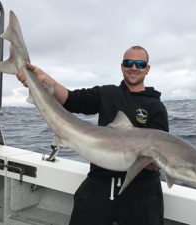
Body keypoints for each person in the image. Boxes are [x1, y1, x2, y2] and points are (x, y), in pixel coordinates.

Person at [17, 46, 169, 225]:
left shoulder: (156, 107)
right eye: (129, 63)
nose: (134, 67)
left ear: (147, 69)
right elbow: (73, 100)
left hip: (142, 189)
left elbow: (162, 149)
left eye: (140, 64)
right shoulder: (107, 93)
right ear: (122, 66)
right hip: (100, 183)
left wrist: (157, 164)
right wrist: (43, 79)